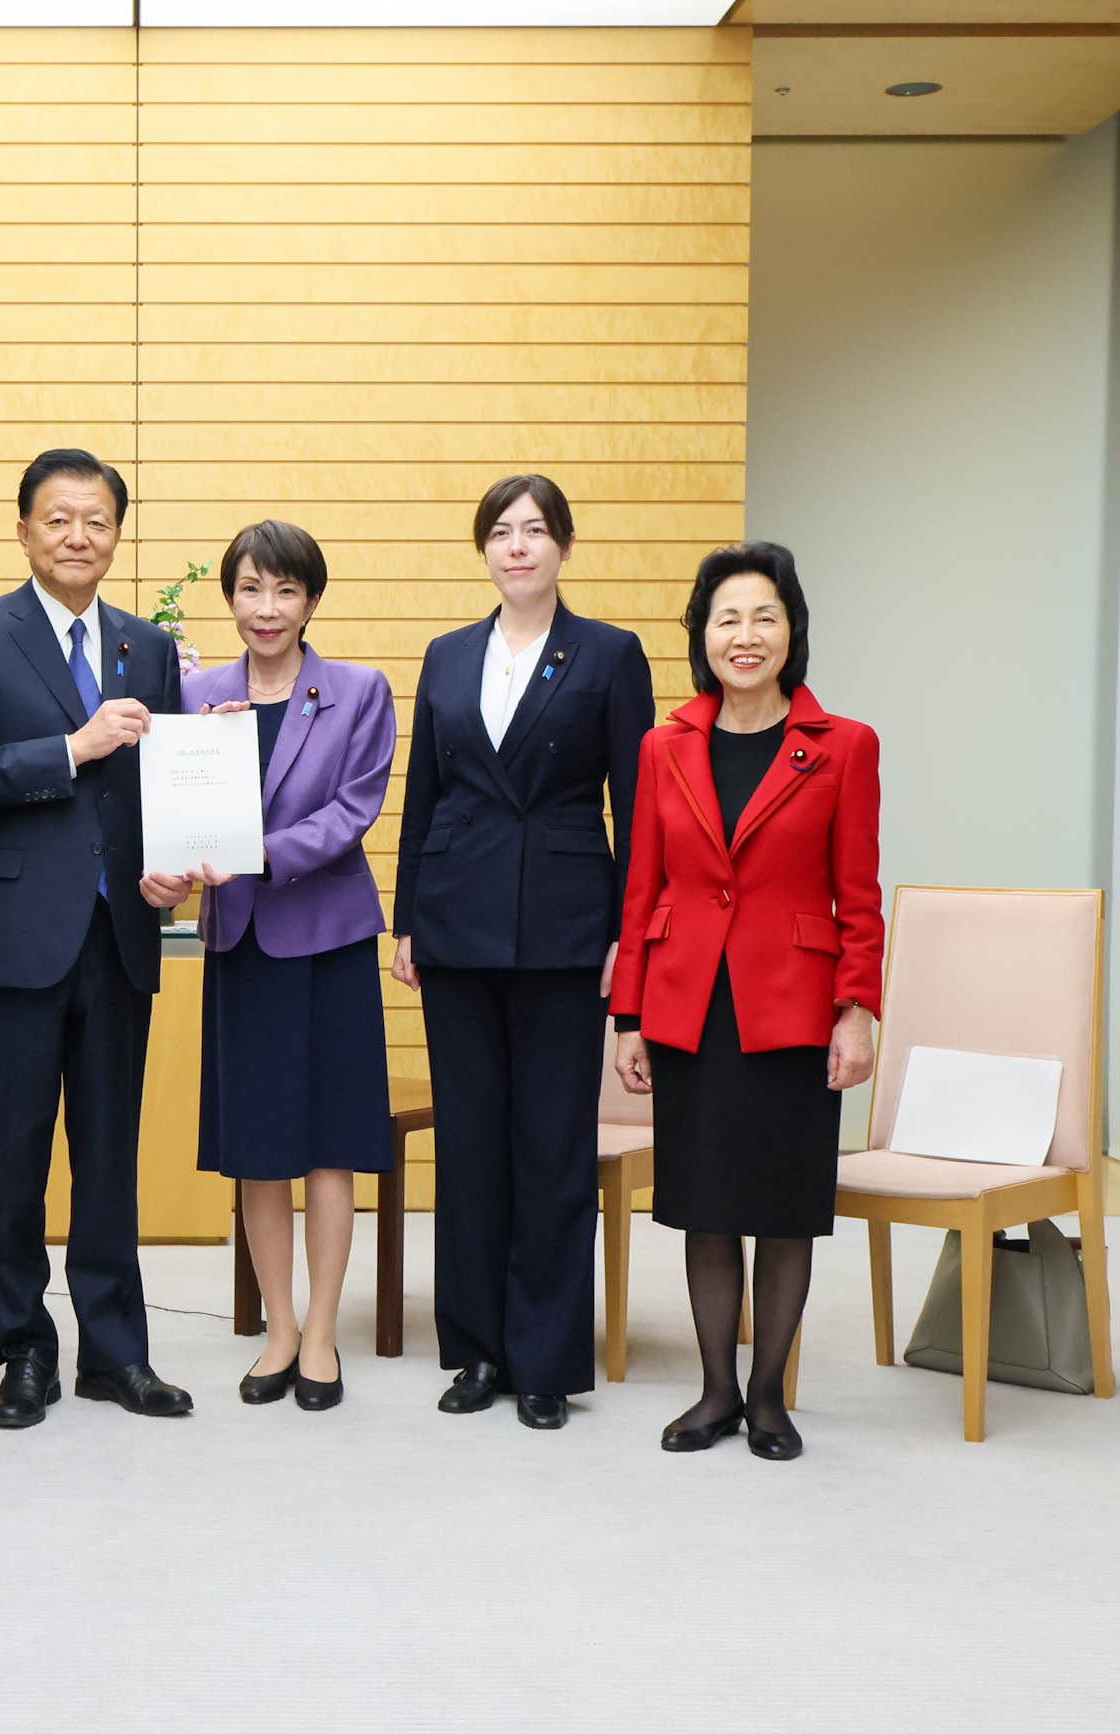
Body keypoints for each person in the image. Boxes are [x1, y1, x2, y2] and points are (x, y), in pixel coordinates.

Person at [0, 448, 192, 1428]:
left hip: (117, 935)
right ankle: (23, 1353)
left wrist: (172, 870)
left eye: (96, 521)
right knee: (17, 1156)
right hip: (8, 941)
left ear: (116, 535)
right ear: (24, 530)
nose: (78, 536)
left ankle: (116, 1355)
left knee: (109, 1157)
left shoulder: (145, 647)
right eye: (58, 519)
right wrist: (70, 749)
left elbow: (158, 789)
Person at [391, 474, 653, 1430]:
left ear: (564, 547)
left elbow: (639, 806)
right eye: (500, 532)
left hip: (564, 926)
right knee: (469, 1148)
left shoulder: (609, 655)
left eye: (535, 531)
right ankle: (477, 1351)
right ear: (484, 550)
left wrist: (631, 931)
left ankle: (545, 1361)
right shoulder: (448, 654)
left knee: (550, 1150)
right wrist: (408, 916)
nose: (517, 548)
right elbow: (424, 791)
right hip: (457, 921)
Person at [611, 542, 881, 1461]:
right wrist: (629, 1016)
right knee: (706, 1201)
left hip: (794, 1008)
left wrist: (858, 1008)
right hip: (690, 1007)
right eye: (728, 618)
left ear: (792, 629)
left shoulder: (843, 747)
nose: (746, 635)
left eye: (764, 615)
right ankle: (715, 1392)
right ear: (703, 636)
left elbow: (860, 894)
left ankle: (769, 1397)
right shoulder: (664, 746)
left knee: (783, 1206)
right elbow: (641, 890)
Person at [148, 521, 394, 1411]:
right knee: (259, 1148)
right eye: (251, 589)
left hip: (326, 939)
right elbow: (171, 806)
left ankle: (324, 1331)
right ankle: (280, 1327)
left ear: (312, 601)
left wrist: (245, 849)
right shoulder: (197, 691)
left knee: (329, 1146)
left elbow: (350, 813)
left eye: (286, 591)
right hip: (242, 943)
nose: (267, 608)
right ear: (230, 597)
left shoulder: (358, 691)